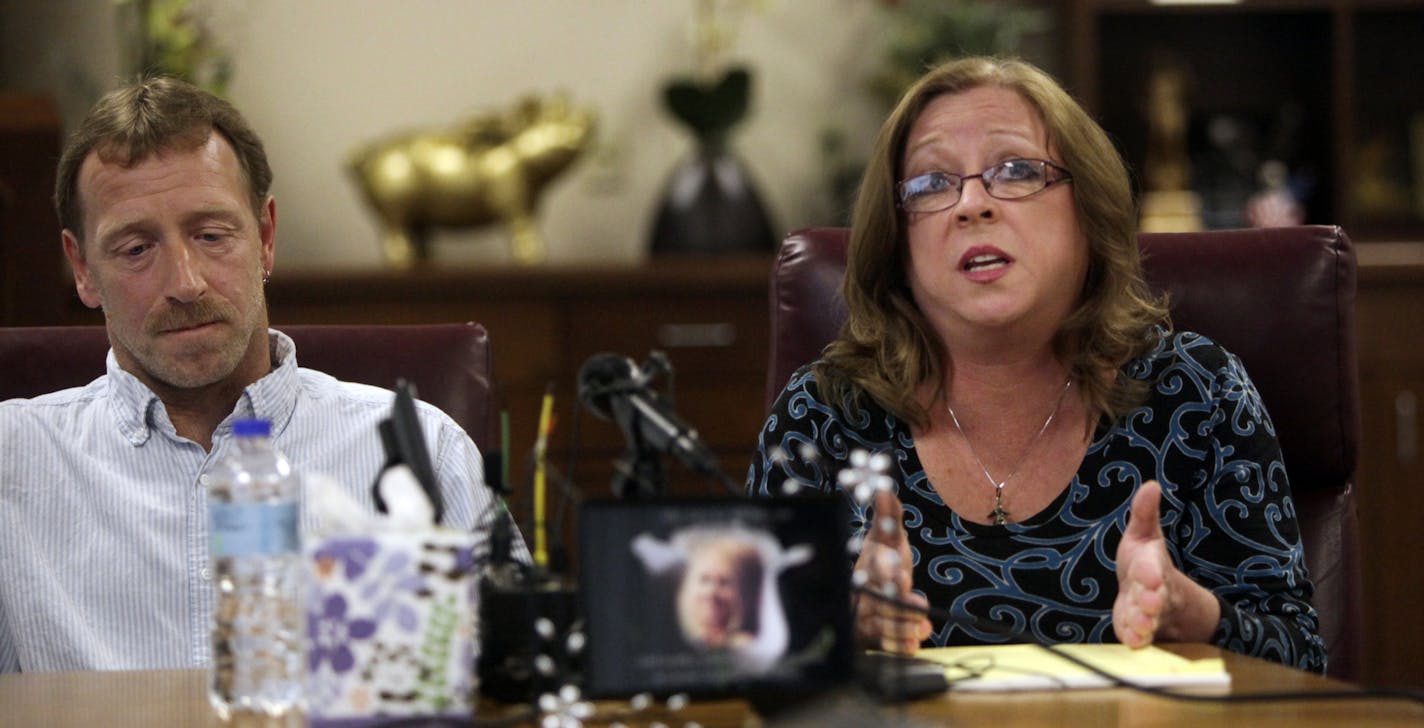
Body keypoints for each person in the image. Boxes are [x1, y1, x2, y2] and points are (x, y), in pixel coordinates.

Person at [747, 57, 1326, 672]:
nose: (971, 204)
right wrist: (839, 624)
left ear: (1088, 211)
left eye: (1017, 170)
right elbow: (730, 659)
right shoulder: (825, 416)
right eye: (931, 183)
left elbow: (1303, 658)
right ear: (899, 242)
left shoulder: (1195, 395)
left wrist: (1191, 617)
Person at [0, 77, 514, 673]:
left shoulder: (421, 449)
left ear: (265, 237)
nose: (185, 283)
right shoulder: (12, 459)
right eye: (136, 249)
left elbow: (510, 690)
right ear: (83, 269)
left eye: (211, 235)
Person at [675, 536, 761, 650]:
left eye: (724, 582)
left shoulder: (750, 648)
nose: (711, 592)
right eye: (704, 579)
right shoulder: (680, 640)